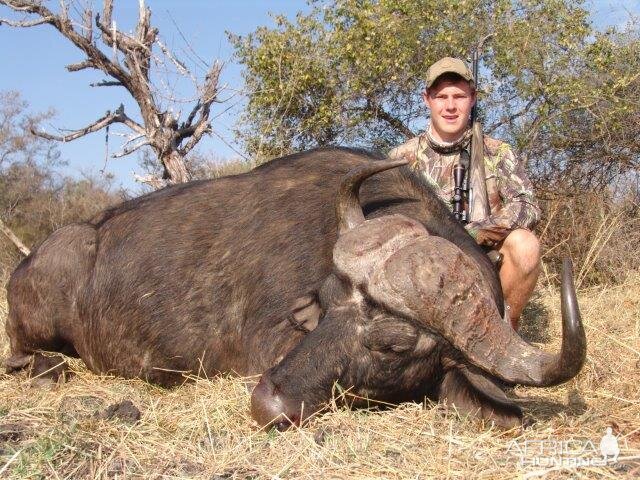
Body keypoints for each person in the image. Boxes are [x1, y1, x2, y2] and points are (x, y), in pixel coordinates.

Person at [389, 57, 541, 329]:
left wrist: (473, 234)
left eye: (459, 96)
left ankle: (506, 332)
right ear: (427, 100)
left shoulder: (498, 152)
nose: (450, 106)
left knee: (525, 246)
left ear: (473, 98)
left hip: (484, 264)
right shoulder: (400, 159)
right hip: (422, 269)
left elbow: (526, 205)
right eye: (441, 96)